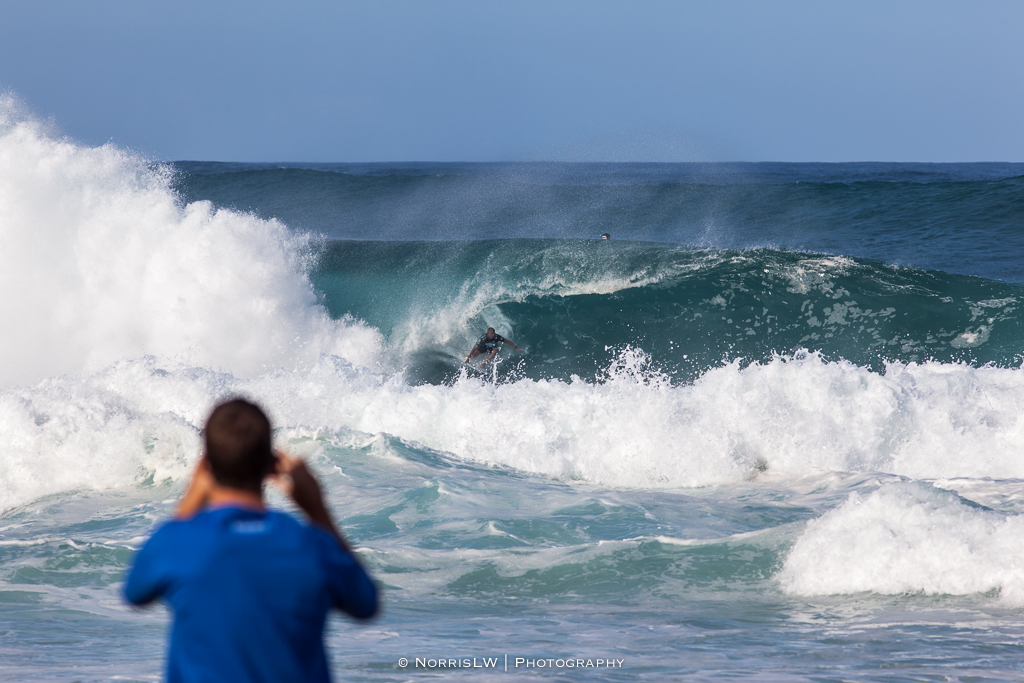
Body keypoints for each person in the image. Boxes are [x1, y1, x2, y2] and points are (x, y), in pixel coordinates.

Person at [124, 398, 378, 683]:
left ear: (205, 465)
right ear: (271, 465)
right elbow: (366, 604)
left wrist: (192, 497)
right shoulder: (311, 545)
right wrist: (318, 511)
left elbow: (135, 592)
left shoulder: (179, 543)